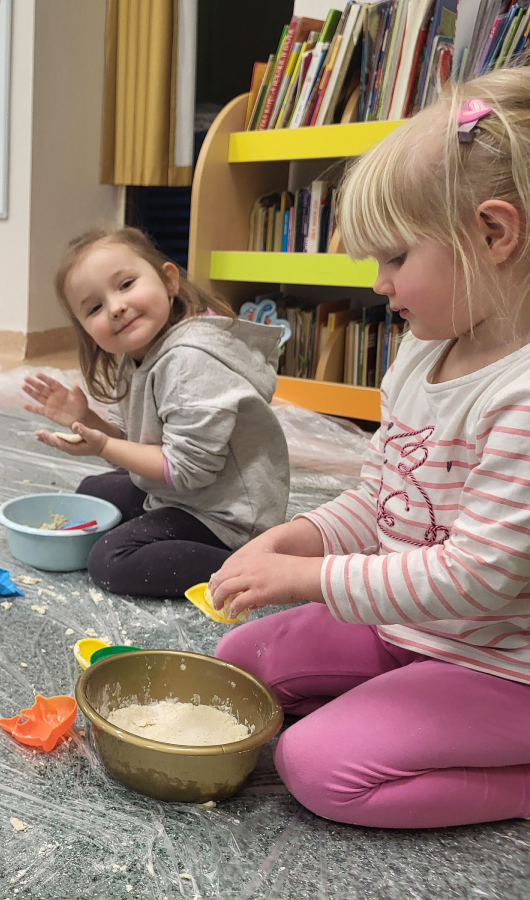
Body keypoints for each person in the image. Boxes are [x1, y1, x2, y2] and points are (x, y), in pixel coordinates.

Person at [208, 68, 530, 829]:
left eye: (395, 258)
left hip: (500, 666)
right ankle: (399, 707)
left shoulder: (519, 395)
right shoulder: (421, 352)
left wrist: (311, 578)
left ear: (494, 234)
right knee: (237, 667)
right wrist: (301, 537)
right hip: (410, 627)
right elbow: (384, 498)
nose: (379, 284)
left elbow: (477, 578)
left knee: (317, 767)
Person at [22, 226, 289, 597]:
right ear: (85, 330)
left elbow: (186, 470)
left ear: (168, 281)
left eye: (126, 284)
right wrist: (86, 421)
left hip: (230, 516)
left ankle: (254, 567)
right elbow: (136, 447)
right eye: (95, 308)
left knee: (109, 560)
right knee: (91, 492)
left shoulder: (188, 361)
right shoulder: (135, 356)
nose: (115, 307)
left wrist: (103, 446)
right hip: (184, 493)